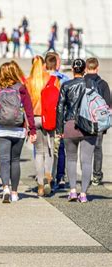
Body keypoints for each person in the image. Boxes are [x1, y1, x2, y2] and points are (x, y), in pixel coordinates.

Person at [0, 62, 36, 203]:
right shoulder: (21, 88)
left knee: (4, 160)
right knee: (15, 161)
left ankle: (5, 188)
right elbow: (29, 110)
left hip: (1, 129)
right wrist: (32, 129)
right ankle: (14, 192)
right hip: (18, 129)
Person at [57, 59, 98, 203]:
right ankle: (84, 194)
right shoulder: (92, 85)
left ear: (73, 70)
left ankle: (73, 191)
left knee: (71, 158)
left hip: (70, 123)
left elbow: (60, 107)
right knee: (86, 161)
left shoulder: (66, 85)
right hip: (88, 125)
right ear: (85, 69)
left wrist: (59, 128)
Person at [26, 56, 57, 196]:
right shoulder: (53, 80)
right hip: (48, 118)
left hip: (34, 119)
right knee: (49, 150)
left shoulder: (28, 81)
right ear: (44, 65)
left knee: (38, 152)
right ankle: (47, 178)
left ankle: (39, 186)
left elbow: (25, 104)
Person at [84, 58, 111, 186]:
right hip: (99, 122)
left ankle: (85, 175)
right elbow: (108, 106)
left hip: (85, 121)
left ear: (85, 68)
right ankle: (96, 176)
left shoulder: (81, 82)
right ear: (97, 68)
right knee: (98, 149)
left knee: (85, 149)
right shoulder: (103, 84)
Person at [45, 52, 68, 189]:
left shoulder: (40, 78)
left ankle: (45, 173)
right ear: (56, 63)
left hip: (43, 117)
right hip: (60, 118)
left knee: (42, 149)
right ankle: (60, 176)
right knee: (59, 148)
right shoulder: (64, 79)